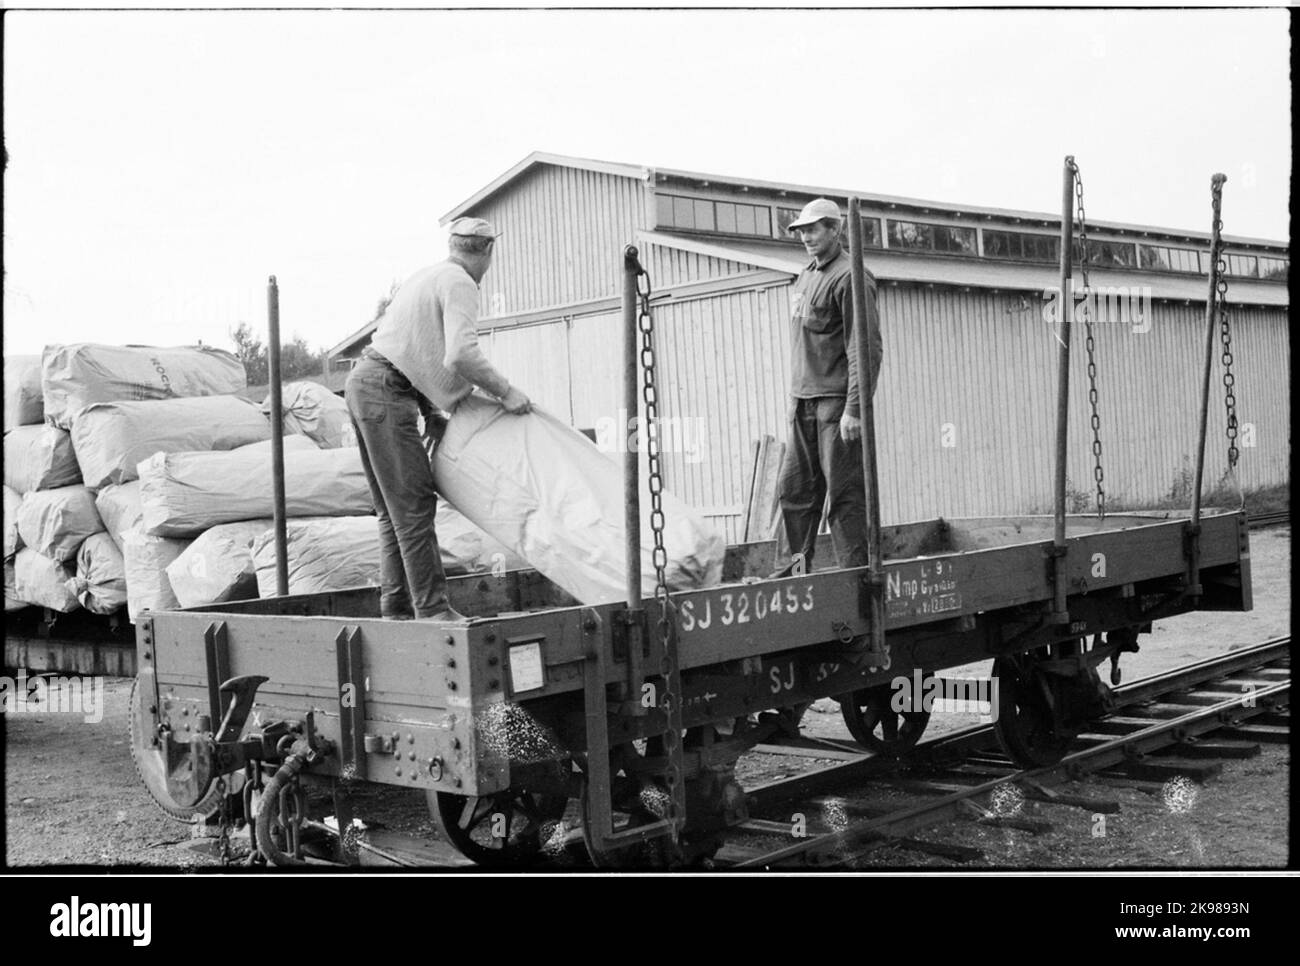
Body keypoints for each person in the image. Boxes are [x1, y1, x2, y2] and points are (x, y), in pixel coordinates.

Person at [345, 217, 532, 621]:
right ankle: (433, 612)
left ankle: (396, 609)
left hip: (366, 382)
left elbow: (409, 348)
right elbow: (460, 354)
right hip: (385, 390)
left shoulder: (426, 276)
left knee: (394, 511)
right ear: (488, 251)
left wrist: (430, 411)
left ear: (453, 245)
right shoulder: (460, 282)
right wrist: (506, 391)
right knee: (414, 506)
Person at [773, 198, 883, 576]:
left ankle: (856, 580)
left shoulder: (851, 277)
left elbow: (864, 348)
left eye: (813, 229)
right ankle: (793, 576)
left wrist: (855, 408)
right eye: (802, 231)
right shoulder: (806, 275)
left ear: (836, 230)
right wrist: (794, 400)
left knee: (844, 496)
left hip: (835, 406)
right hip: (803, 402)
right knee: (795, 492)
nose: (806, 237)